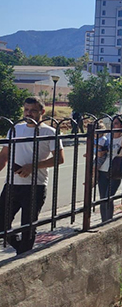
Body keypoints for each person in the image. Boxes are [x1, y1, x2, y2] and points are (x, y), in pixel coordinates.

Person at [0, 96, 65, 255]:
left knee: (28, 228)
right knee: (1, 224)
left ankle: (23, 256)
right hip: (12, 184)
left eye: (33, 111)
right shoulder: (15, 129)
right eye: (26, 110)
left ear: (42, 111)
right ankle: (21, 251)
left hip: (35, 186)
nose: (28, 113)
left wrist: (32, 166)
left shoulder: (49, 132)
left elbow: (59, 159)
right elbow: (4, 156)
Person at [96, 116, 122, 222]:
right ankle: (104, 221)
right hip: (103, 170)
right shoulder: (108, 136)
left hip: (116, 171)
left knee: (109, 197)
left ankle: (109, 221)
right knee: (103, 199)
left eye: (116, 123)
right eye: (113, 123)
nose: (113, 126)